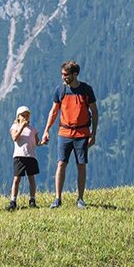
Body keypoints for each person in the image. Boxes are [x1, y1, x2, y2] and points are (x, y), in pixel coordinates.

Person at [41, 60, 98, 209]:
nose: (63, 78)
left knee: (81, 165)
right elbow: (53, 112)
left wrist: (94, 133)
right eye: (62, 74)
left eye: (66, 75)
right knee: (61, 164)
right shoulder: (60, 91)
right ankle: (57, 198)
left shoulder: (86, 90)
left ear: (75, 74)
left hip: (82, 133)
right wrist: (46, 130)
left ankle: (80, 199)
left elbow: (95, 111)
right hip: (64, 133)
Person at [7, 105, 43, 210]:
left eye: (27, 115)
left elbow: (37, 142)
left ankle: (32, 200)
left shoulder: (33, 129)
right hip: (19, 156)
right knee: (17, 178)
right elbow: (15, 138)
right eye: (23, 115)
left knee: (31, 178)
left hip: (31, 156)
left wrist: (43, 141)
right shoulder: (15, 127)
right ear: (18, 117)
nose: (25, 117)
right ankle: (13, 201)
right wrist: (22, 126)